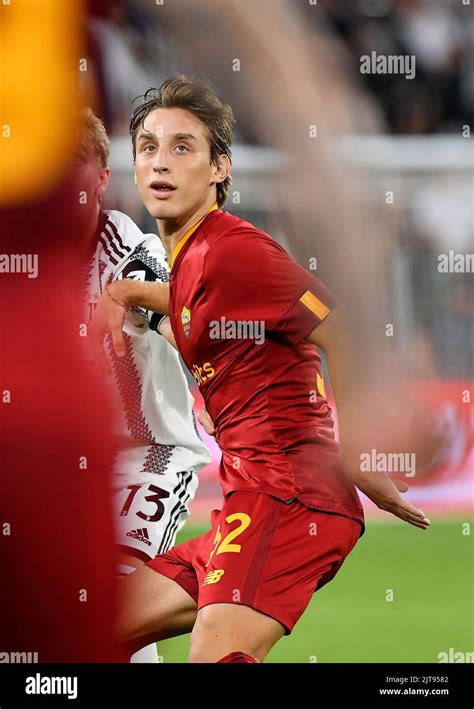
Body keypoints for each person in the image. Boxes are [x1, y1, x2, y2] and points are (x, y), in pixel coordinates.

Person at [90, 76, 430, 663]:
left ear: (220, 167)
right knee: (92, 629)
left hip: (292, 498)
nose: (160, 164)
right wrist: (125, 291)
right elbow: (193, 315)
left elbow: (342, 329)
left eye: (182, 147)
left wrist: (360, 457)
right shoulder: (194, 258)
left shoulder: (234, 250)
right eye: (148, 147)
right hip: (247, 500)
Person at [78, 107, 211, 662]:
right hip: (68, 460)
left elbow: (186, 319)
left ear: (102, 179)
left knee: (113, 604)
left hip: (148, 455)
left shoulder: (130, 255)